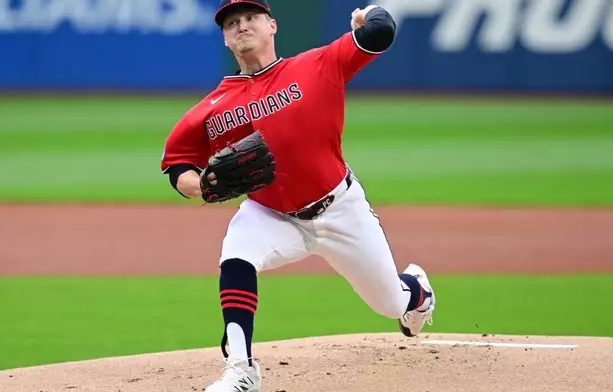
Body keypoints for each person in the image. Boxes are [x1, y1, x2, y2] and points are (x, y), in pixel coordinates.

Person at [159, 1, 436, 391]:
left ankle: (417, 291)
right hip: (270, 214)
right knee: (236, 253)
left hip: (340, 209)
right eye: (232, 23)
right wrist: (200, 186)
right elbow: (177, 166)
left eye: (250, 18)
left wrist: (368, 15)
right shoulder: (212, 109)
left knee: (391, 304)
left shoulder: (317, 65)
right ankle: (241, 368)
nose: (241, 26)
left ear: (272, 26)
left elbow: (381, 32)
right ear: (224, 38)